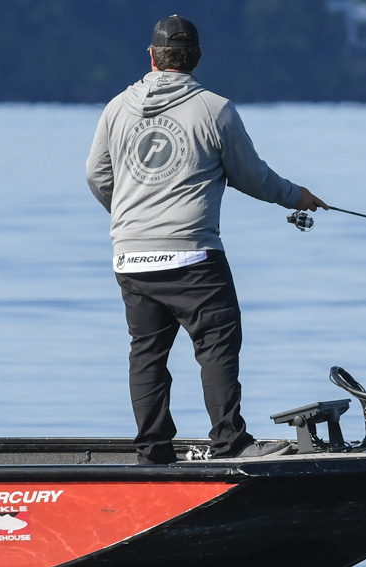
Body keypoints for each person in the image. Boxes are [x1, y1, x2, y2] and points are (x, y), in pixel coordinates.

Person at [86, 15, 326, 465]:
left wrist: (130, 220)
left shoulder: (116, 108)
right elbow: (252, 177)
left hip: (131, 258)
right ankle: (230, 442)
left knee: (147, 354)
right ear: (196, 58)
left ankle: (153, 453)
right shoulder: (215, 110)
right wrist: (298, 196)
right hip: (192, 257)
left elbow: (96, 175)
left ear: (152, 57)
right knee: (217, 345)